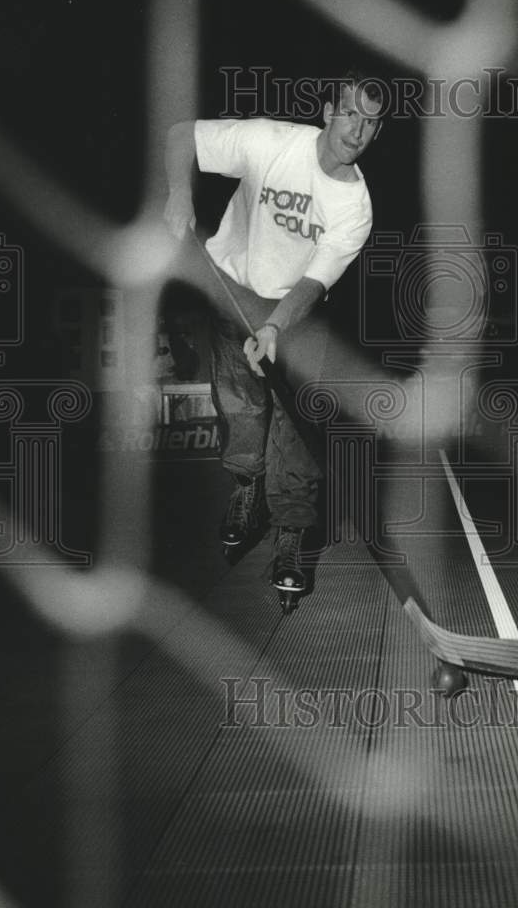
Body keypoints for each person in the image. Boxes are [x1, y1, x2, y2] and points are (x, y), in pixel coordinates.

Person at [163, 72, 384, 596]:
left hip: (296, 314)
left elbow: (314, 280)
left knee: (294, 422)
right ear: (329, 111)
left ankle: (291, 534)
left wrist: (276, 325)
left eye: (371, 123)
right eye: (350, 113)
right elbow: (179, 136)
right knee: (240, 403)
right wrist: (178, 193)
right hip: (231, 287)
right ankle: (247, 486)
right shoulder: (270, 142)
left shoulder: (355, 208)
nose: (357, 130)